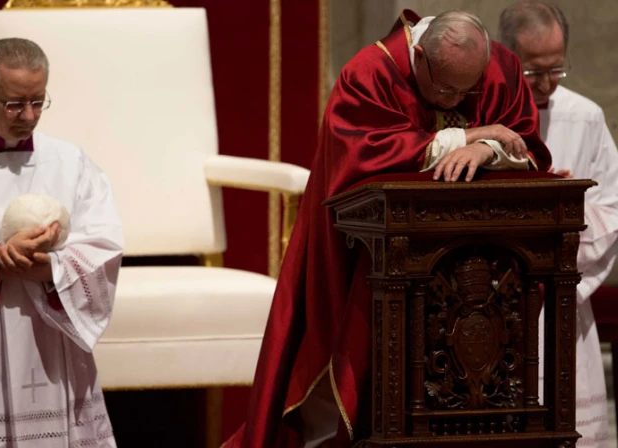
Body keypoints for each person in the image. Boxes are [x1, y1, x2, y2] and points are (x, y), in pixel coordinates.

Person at [223, 8, 552, 447]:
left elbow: (525, 143)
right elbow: (362, 155)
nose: (456, 100)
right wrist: (466, 137)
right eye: (446, 88)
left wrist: (490, 149)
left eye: (466, 89)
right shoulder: (368, 74)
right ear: (419, 54)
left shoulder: (495, 69)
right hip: (372, 261)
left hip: (477, 269)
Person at [0, 38, 122, 446]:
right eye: (13, 104)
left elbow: (103, 242)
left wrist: (54, 268)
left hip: (50, 341)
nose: (28, 116)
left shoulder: (69, 161)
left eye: (38, 102)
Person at [499, 2, 618, 447]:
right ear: (508, 59)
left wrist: (563, 232)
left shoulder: (585, 117)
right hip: (500, 300)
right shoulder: (490, 118)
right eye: (533, 73)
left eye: (556, 70)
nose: (546, 84)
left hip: (563, 297)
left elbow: (612, 206)